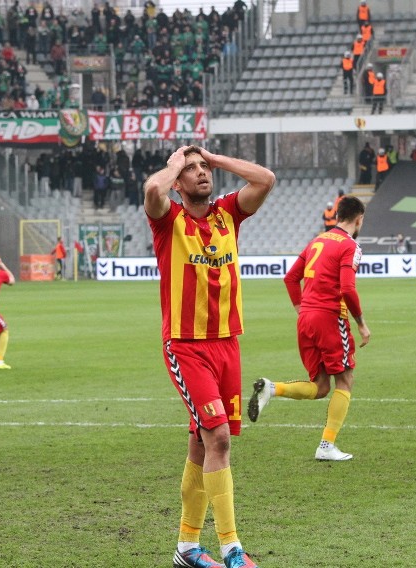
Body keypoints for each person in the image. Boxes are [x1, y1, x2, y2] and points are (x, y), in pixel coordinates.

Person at [145, 145, 274, 568]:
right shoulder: (168, 221)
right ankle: (232, 547)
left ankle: (186, 547)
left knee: (201, 446)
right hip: (185, 345)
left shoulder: (227, 215)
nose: (201, 174)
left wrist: (216, 159)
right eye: (193, 170)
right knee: (217, 436)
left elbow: (265, 179)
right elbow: (151, 190)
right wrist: (174, 165)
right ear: (179, 182)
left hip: (227, 343)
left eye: (205, 169)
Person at [248, 197, 370, 462]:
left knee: (321, 386)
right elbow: (348, 288)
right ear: (359, 218)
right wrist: (361, 323)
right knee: (346, 380)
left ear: (338, 216)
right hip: (329, 317)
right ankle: (326, 446)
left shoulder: (317, 240)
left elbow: (291, 278)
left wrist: (301, 309)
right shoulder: (351, 246)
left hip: (306, 319)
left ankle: (272, 388)